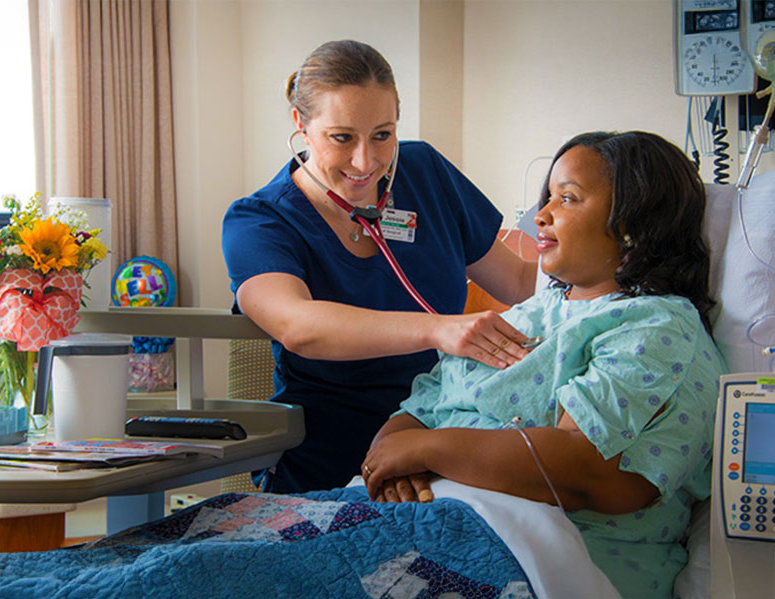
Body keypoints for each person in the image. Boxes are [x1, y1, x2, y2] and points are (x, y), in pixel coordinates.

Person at [360, 130, 728, 599]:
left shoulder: (655, 325)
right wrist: (397, 461)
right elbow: (421, 406)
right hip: (417, 518)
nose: (542, 216)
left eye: (567, 199)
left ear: (634, 222)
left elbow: (585, 469)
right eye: (547, 197)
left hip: (540, 557)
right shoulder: (526, 314)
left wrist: (429, 451)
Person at [221, 40, 537, 494]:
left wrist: (627, 266)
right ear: (301, 126)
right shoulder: (260, 220)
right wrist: (438, 329)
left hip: (444, 433)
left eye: (382, 135)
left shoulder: (425, 172)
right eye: (342, 137)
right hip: (331, 454)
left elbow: (520, 280)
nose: (365, 162)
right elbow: (298, 326)